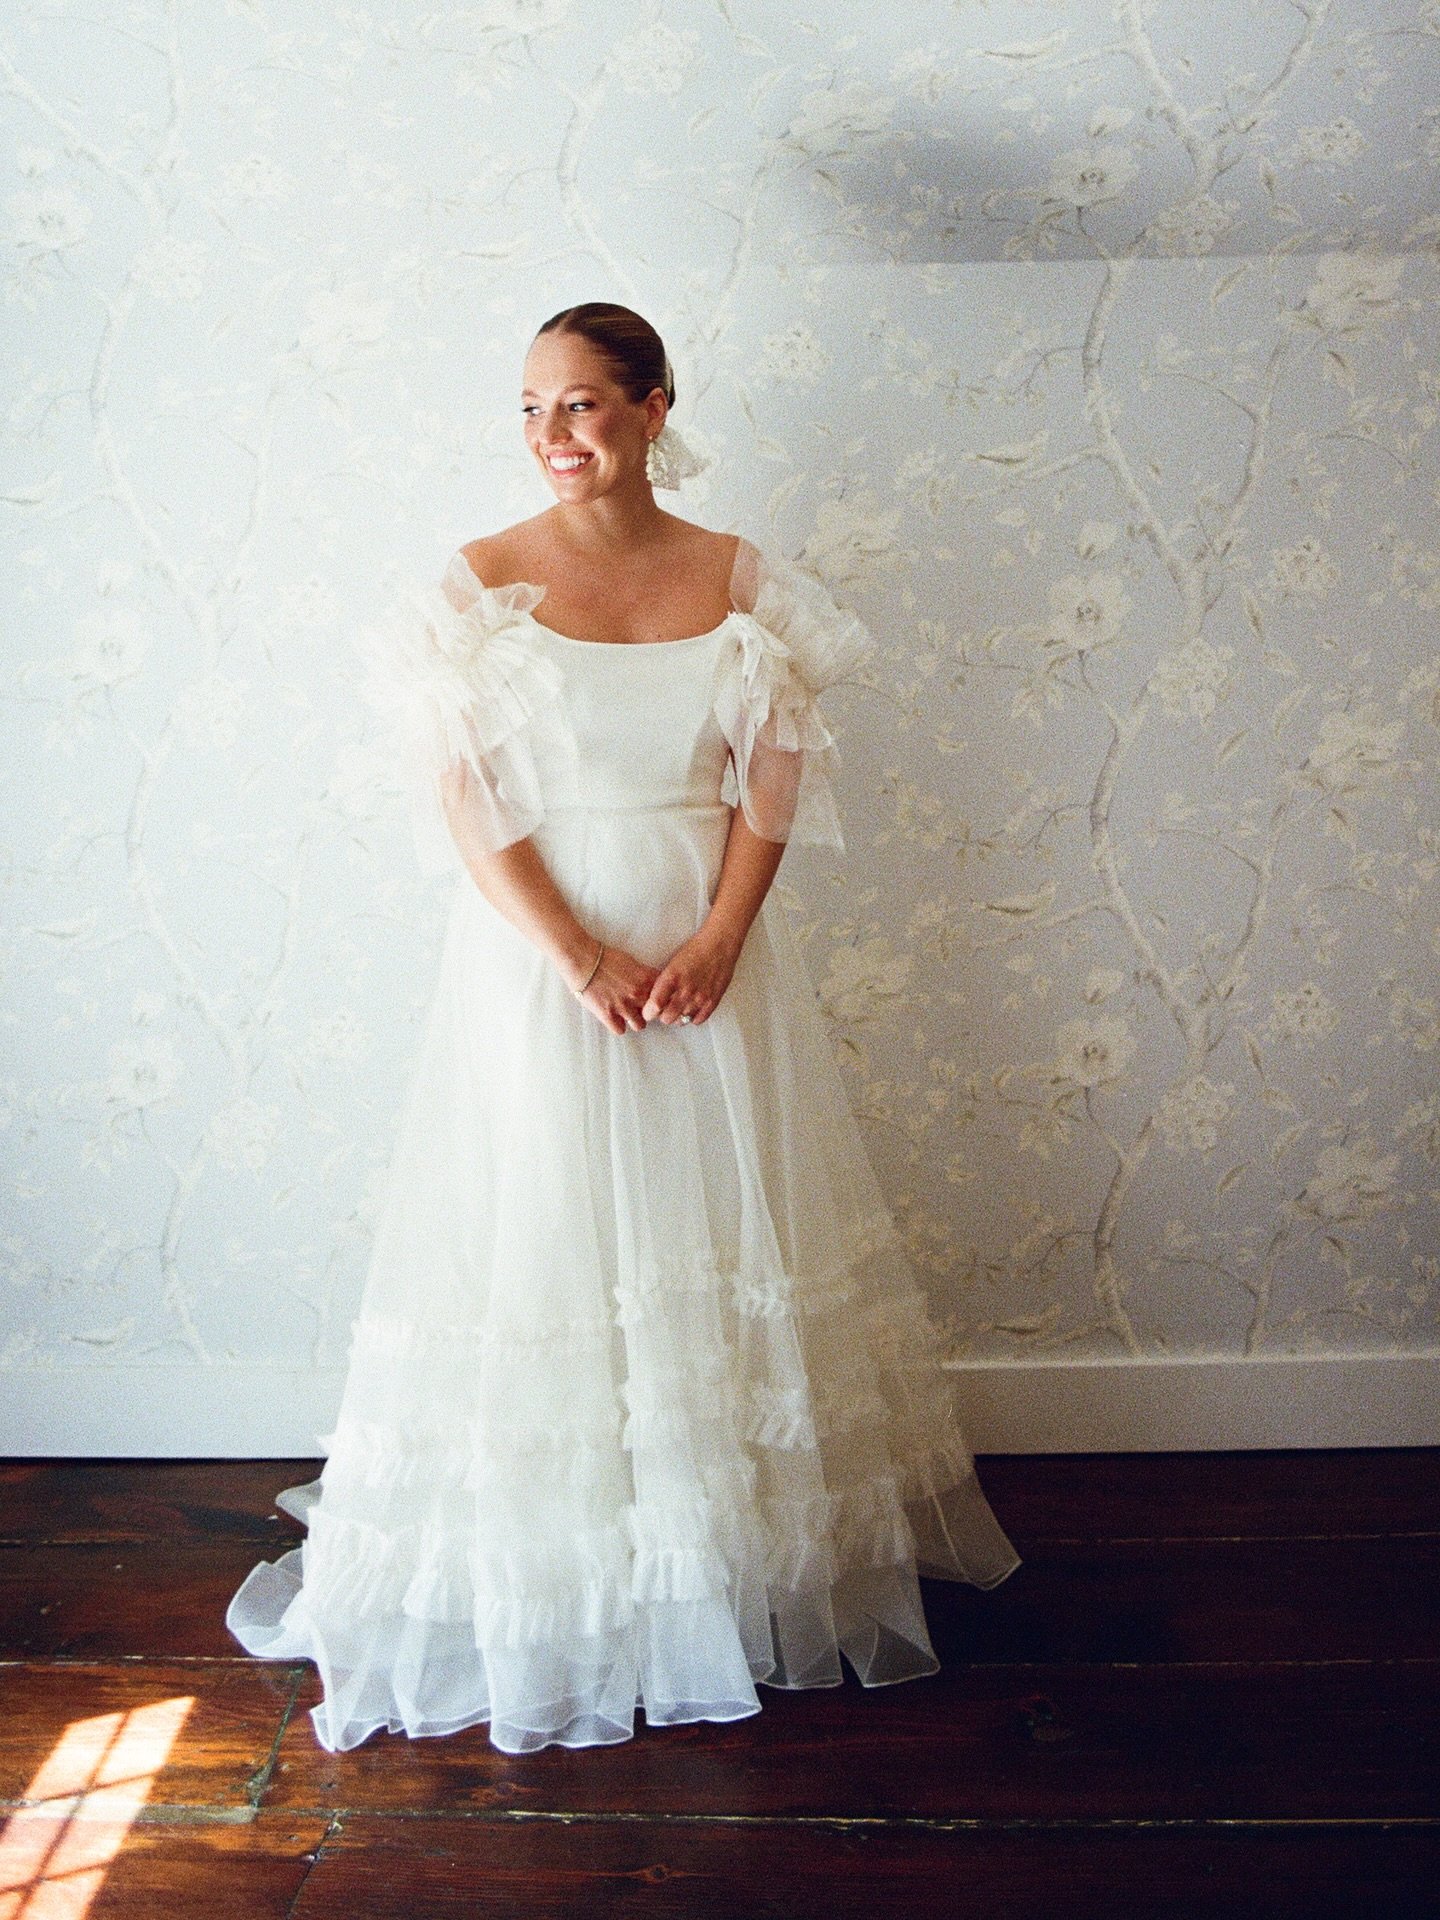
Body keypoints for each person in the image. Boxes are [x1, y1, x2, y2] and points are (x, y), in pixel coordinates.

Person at [225, 301, 1021, 1755]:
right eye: (531, 409)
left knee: (713, 1222)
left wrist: (717, 938)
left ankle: (723, 1564)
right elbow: (465, 803)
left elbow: (769, 779)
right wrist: (578, 951)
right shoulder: (470, 590)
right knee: (551, 1225)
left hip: (705, 945)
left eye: (584, 404)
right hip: (540, 953)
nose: (554, 437)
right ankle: (565, 1569)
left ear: (657, 408)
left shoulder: (744, 583)